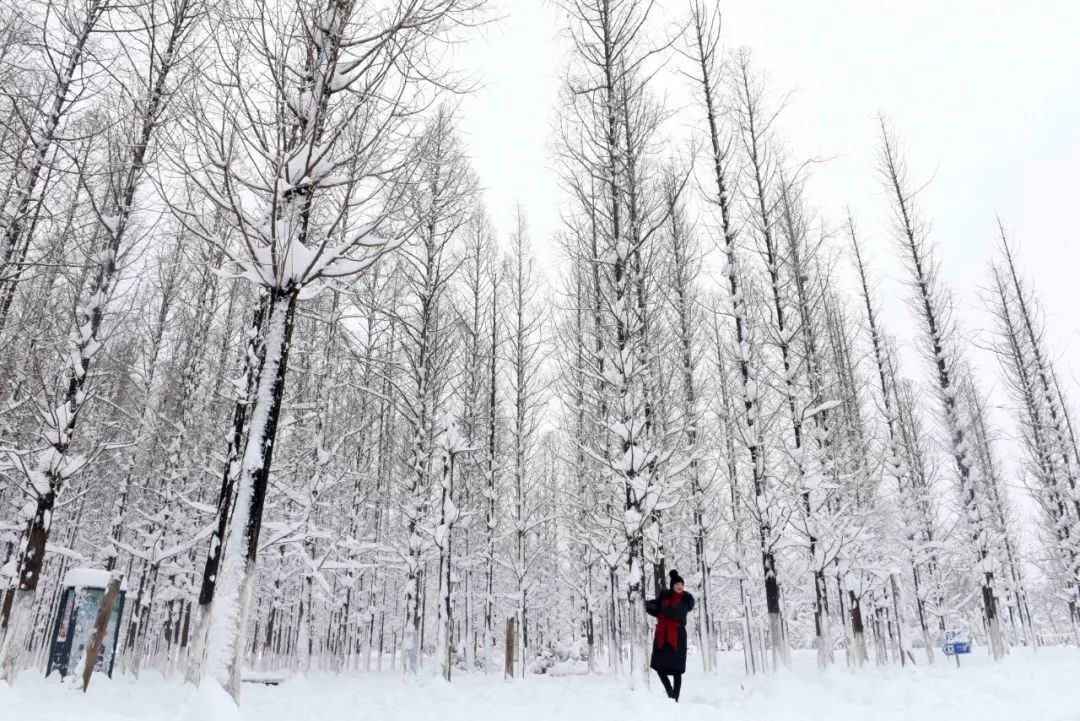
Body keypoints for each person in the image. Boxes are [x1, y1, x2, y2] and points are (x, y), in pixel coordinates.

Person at [645, 569, 695, 702]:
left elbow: (676, 614)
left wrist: (660, 608)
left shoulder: (686, 600)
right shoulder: (665, 598)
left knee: (677, 670)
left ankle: (676, 698)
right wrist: (643, 603)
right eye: (677, 584)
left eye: (681, 584)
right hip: (663, 637)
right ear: (672, 585)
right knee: (659, 668)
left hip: (677, 638)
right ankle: (670, 692)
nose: (680, 586)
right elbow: (654, 608)